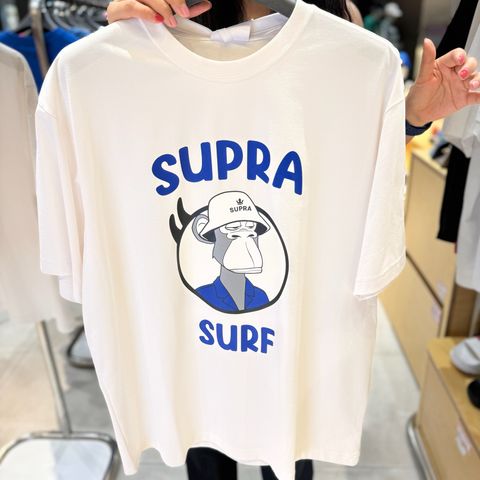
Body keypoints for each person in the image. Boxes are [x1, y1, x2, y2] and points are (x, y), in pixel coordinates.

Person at [103, 1, 480, 479]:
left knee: (287, 443)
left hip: (293, 331)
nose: (245, 241)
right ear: (210, 240)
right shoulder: (165, 12)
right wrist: (123, 42)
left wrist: (407, 117)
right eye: (232, 231)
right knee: (205, 435)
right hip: (194, 351)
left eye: (248, 230)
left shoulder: (342, 24)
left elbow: (347, 159)